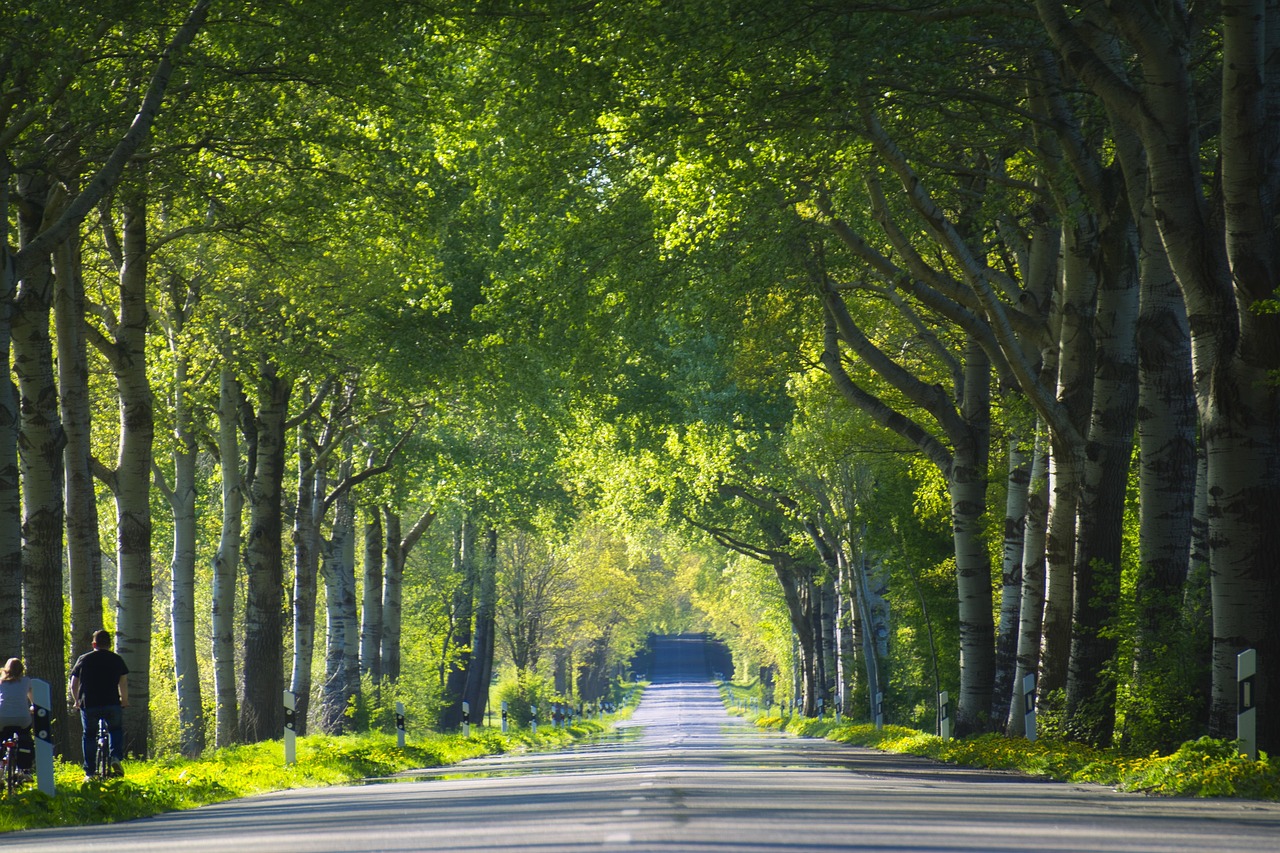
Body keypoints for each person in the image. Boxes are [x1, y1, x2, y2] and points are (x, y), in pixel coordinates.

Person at [69, 630, 129, 780]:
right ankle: (115, 757)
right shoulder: (117, 659)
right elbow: (123, 683)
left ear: (94, 644)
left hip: (89, 703)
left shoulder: (84, 659)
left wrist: (76, 700)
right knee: (115, 729)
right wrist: (124, 700)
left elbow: (73, 683)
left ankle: (89, 772)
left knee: (89, 735)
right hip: (112, 702)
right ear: (109, 644)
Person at [0, 658, 34, 775]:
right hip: (22, 718)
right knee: (25, 736)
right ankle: (25, 770)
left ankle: (0, 766)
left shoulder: (1, 682)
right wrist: (32, 708)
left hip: (2, 718)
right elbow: (33, 701)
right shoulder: (26, 681)